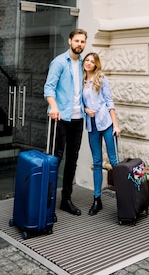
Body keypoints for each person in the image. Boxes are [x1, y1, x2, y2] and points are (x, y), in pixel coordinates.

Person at [44, 28, 88, 216]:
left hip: (78, 119)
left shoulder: (83, 65)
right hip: (60, 118)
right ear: (70, 41)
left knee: (72, 160)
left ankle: (66, 200)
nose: (79, 44)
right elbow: (49, 87)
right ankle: (48, 202)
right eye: (77, 41)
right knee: (55, 159)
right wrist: (53, 107)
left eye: (82, 42)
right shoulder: (60, 62)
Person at [82, 52, 121, 215]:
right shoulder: (81, 81)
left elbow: (109, 102)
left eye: (92, 61)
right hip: (92, 126)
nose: (89, 63)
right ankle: (97, 199)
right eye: (87, 60)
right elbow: (79, 102)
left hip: (106, 123)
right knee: (97, 162)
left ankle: (123, 196)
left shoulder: (102, 79)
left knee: (114, 162)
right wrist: (85, 110)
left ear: (96, 64)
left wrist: (116, 125)